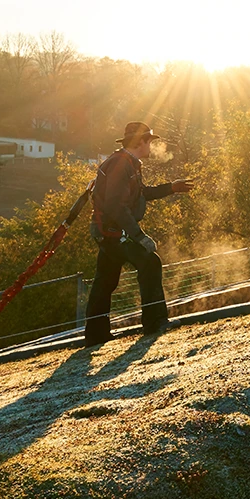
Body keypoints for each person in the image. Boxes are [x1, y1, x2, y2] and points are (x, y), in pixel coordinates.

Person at [84, 122, 195, 346]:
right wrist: (139, 236)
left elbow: (139, 194)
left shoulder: (128, 163)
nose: (152, 146)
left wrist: (171, 187)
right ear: (140, 142)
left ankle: (95, 335)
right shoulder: (121, 165)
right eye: (150, 142)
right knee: (150, 262)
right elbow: (117, 206)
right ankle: (155, 322)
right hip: (114, 231)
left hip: (108, 231)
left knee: (105, 280)